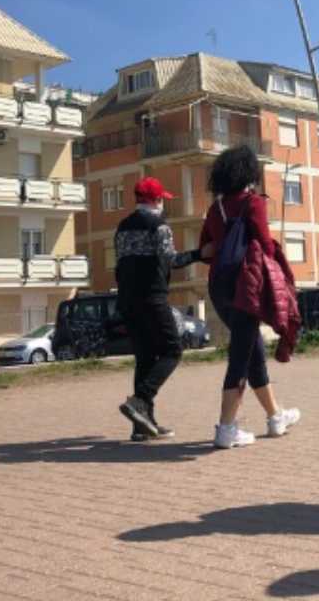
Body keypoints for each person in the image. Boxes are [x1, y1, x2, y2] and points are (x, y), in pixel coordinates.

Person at [200, 145, 301, 449]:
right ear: (249, 173)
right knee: (241, 356)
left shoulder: (215, 209)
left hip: (219, 285)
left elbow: (206, 250)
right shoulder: (253, 203)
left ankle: (275, 417)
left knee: (252, 349)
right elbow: (265, 245)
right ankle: (226, 428)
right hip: (247, 285)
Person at [115, 177, 208, 442]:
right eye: (163, 200)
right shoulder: (159, 226)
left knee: (145, 358)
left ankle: (142, 426)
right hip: (152, 298)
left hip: (127, 300)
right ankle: (140, 400)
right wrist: (201, 253)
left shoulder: (122, 227)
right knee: (172, 350)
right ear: (156, 200)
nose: (164, 204)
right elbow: (172, 260)